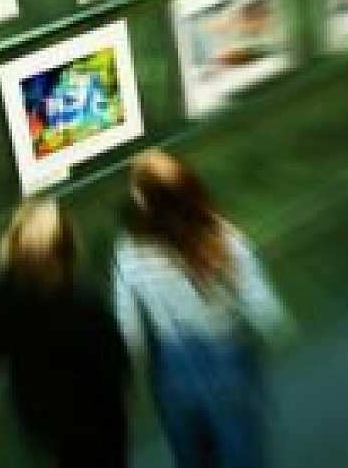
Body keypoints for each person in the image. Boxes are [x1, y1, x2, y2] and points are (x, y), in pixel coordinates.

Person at [114, 149, 290, 468]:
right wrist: (273, 329)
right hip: (228, 355)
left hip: (174, 367)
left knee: (191, 455)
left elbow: (129, 325)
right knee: (241, 450)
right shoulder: (223, 237)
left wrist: (133, 372)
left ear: (146, 201)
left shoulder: (131, 251)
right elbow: (260, 302)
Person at [0, 199, 129, 467]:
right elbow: (115, 366)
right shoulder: (81, 302)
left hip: (39, 413)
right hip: (93, 419)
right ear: (65, 248)